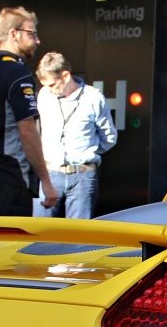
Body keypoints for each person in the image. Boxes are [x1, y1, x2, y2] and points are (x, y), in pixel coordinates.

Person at [0, 7, 58, 216]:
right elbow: (27, 128)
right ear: (14, 34)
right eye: (32, 34)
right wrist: (46, 182)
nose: (37, 41)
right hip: (11, 181)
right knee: (12, 248)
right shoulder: (17, 72)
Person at [35, 51, 118, 219]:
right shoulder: (44, 96)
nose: (49, 90)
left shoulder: (93, 97)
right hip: (50, 172)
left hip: (83, 174)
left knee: (78, 236)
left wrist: (87, 152)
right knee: (40, 233)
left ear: (65, 76)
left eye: (52, 85)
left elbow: (109, 138)